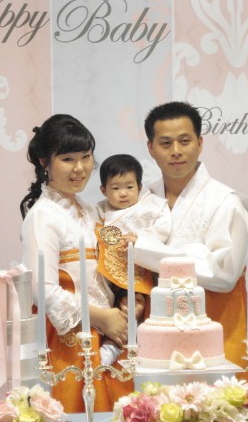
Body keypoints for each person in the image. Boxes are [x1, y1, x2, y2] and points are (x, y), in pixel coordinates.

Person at [19, 114, 132, 413]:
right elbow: (41, 291)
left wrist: (122, 303)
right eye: (68, 159)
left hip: (107, 336)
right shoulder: (43, 217)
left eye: (86, 157)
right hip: (65, 340)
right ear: (44, 162)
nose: (80, 168)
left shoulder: (90, 211)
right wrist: (102, 317)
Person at [131, 101, 248, 379]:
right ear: (150, 148)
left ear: (200, 142)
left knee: (221, 401)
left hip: (217, 326)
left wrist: (144, 251)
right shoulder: (142, 199)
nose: (176, 151)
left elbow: (224, 274)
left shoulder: (226, 201)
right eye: (165, 143)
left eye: (184, 141)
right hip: (156, 331)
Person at [94, 154, 170, 365]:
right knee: (110, 308)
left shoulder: (149, 206)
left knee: (132, 306)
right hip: (108, 272)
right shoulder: (100, 210)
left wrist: (141, 238)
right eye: (116, 188)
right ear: (103, 190)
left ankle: (114, 346)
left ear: (140, 187)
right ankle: (110, 342)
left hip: (137, 270)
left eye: (129, 187)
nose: (123, 193)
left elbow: (164, 228)